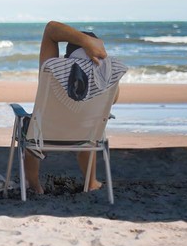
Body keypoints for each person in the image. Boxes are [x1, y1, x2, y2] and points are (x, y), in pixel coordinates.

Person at [24, 21, 124, 195]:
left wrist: (85, 41)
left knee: (29, 128)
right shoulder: (106, 78)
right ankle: (91, 182)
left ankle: (35, 185)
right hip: (85, 136)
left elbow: (51, 29)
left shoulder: (52, 69)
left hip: (44, 136)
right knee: (92, 124)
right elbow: (113, 100)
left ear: (68, 56)